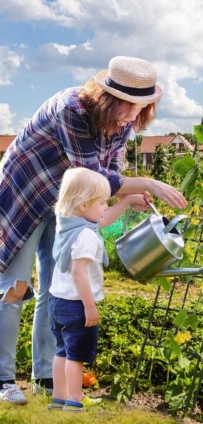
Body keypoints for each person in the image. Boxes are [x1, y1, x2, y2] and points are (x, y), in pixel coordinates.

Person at [0, 55, 187, 405]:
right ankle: (3, 379)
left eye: (141, 107)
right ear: (107, 97)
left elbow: (110, 173)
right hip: (26, 192)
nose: (133, 115)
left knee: (58, 286)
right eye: (128, 106)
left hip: (69, 202)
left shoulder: (125, 123)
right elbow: (93, 176)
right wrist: (146, 182)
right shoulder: (71, 108)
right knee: (15, 286)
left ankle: (44, 376)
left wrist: (131, 193)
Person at [48, 167, 142, 411]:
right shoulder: (86, 237)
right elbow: (79, 273)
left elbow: (101, 219)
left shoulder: (67, 223)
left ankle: (60, 397)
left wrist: (129, 200)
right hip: (77, 304)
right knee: (76, 355)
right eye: (101, 202)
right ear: (83, 206)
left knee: (62, 351)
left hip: (56, 301)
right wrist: (90, 306)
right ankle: (74, 400)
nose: (104, 207)